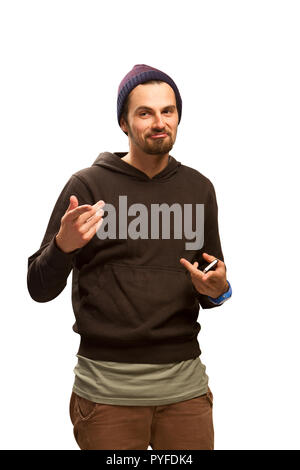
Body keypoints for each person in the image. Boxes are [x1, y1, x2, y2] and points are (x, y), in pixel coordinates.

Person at [27, 64, 232, 450]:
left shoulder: (199, 188)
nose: (159, 122)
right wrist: (63, 246)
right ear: (123, 122)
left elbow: (210, 284)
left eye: (167, 111)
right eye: (145, 112)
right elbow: (38, 287)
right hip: (106, 395)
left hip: (185, 392)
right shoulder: (87, 185)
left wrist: (219, 290)